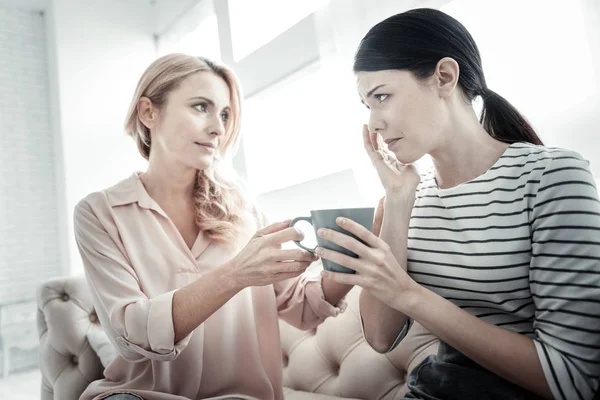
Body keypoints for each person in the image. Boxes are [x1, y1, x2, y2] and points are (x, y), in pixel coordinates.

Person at [316, 8, 600, 400]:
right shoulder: (404, 196)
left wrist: (408, 294)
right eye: (368, 106)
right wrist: (398, 202)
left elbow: (572, 379)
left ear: (444, 77)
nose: (374, 123)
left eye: (382, 96)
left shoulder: (550, 175)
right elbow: (381, 337)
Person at [73, 53, 352, 400]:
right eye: (200, 107)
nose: (218, 128)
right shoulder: (99, 212)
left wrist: (350, 265)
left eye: (224, 114)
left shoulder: (244, 207)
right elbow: (133, 336)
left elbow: (304, 308)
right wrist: (236, 275)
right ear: (149, 112)